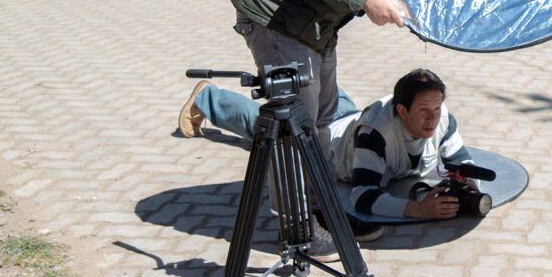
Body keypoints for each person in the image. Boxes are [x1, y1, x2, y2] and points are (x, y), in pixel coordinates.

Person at [225, 0, 407, 246]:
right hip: (275, 19)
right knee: (295, 129)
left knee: (321, 122)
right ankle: (298, 229)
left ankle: (323, 210)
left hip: (313, 23)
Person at [179, 69, 473, 237]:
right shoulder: (376, 134)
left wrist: (469, 186)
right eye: (424, 111)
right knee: (263, 123)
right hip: (328, 145)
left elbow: (463, 161)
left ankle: (304, 84)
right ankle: (208, 97)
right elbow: (364, 196)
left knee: (318, 86)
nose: (433, 119)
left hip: (350, 122)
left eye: (436, 109)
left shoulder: (441, 117)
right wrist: (416, 210)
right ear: (401, 110)